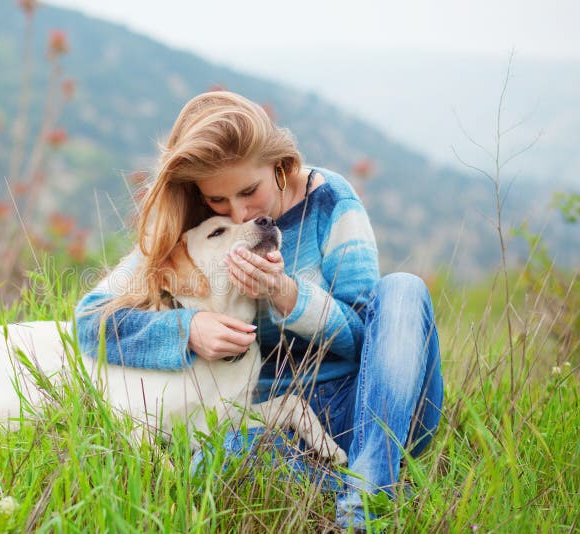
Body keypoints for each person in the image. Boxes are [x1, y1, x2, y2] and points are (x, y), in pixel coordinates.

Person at [75, 90, 443, 529]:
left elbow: (368, 337)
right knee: (208, 463)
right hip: (269, 421)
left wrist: (289, 295)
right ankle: (337, 481)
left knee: (403, 288)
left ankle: (365, 497)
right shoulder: (195, 222)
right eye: (218, 201)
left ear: (281, 166)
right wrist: (187, 329)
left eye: (250, 191)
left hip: (372, 407)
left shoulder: (330, 203)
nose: (239, 211)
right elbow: (90, 318)